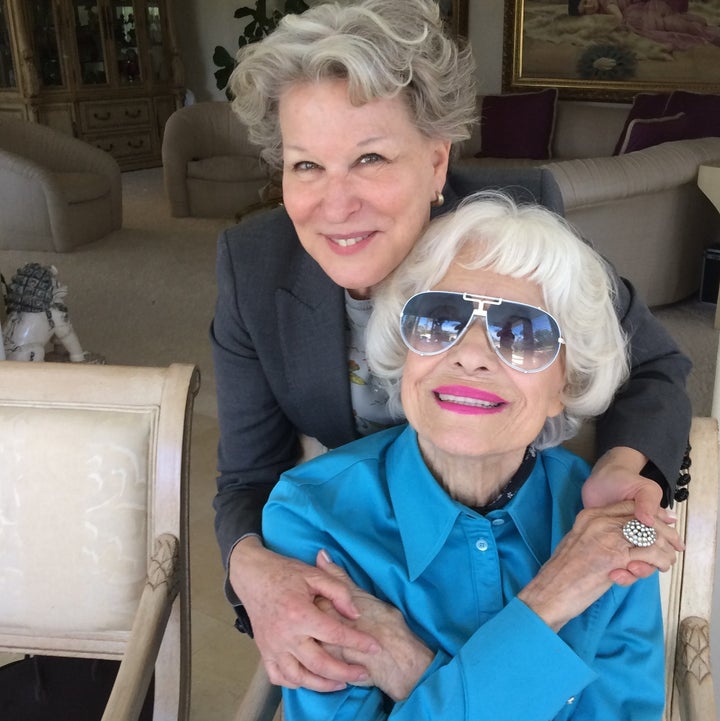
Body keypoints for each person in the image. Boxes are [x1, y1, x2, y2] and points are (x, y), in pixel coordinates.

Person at [211, 0, 691, 692]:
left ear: (437, 160)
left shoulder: (516, 230)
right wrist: (250, 567)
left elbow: (652, 363)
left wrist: (623, 478)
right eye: (306, 165)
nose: (335, 203)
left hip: (520, 546)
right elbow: (245, 480)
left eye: (369, 157)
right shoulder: (254, 268)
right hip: (369, 559)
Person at [262, 193, 682, 719]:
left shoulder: (609, 528)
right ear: (405, 347)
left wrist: (412, 668)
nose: (471, 353)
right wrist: (553, 597)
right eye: (439, 320)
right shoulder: (314, 518)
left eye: (522, 333)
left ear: (564, 384)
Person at [569, 0, 720, 51]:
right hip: (643, 10)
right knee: (671, 23)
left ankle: (707, 32)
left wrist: (621, 22)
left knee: (666, 24)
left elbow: (617, 13)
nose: (590, 7)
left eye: (586, 2)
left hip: (645, 9)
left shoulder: (606, 2)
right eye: (585, 11)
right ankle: (704, 30)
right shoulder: (599, 10)